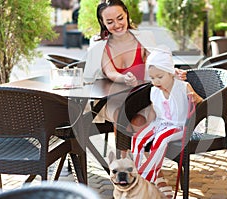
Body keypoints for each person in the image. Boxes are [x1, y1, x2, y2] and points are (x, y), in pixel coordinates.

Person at [83, 0, 186, 124]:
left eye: (120, 18)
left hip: (141, 98)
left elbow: (155, 64)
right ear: (102, 22)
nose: (117, 25)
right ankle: (124, 142)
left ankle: (134, 142)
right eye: (110, 22)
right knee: (121, 116)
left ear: (126, 14)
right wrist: (124, 78)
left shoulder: (143, 38)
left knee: (139, 121)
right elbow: (110, 72)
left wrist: (171, 71)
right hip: (112, 99)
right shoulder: (100, 45)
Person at [131, 47, 203, 198]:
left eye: (160, 76)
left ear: (171, 73)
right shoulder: (154, 90)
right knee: (138, 137)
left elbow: (201, 102)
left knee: (160, 140)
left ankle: (146, 179)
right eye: (152, 78)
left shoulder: (183, 87)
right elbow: (155, 112)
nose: (155, 81)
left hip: (179, 126)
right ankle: (136, 173)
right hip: (161, 123)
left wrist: (195, 99)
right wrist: (147, 126)